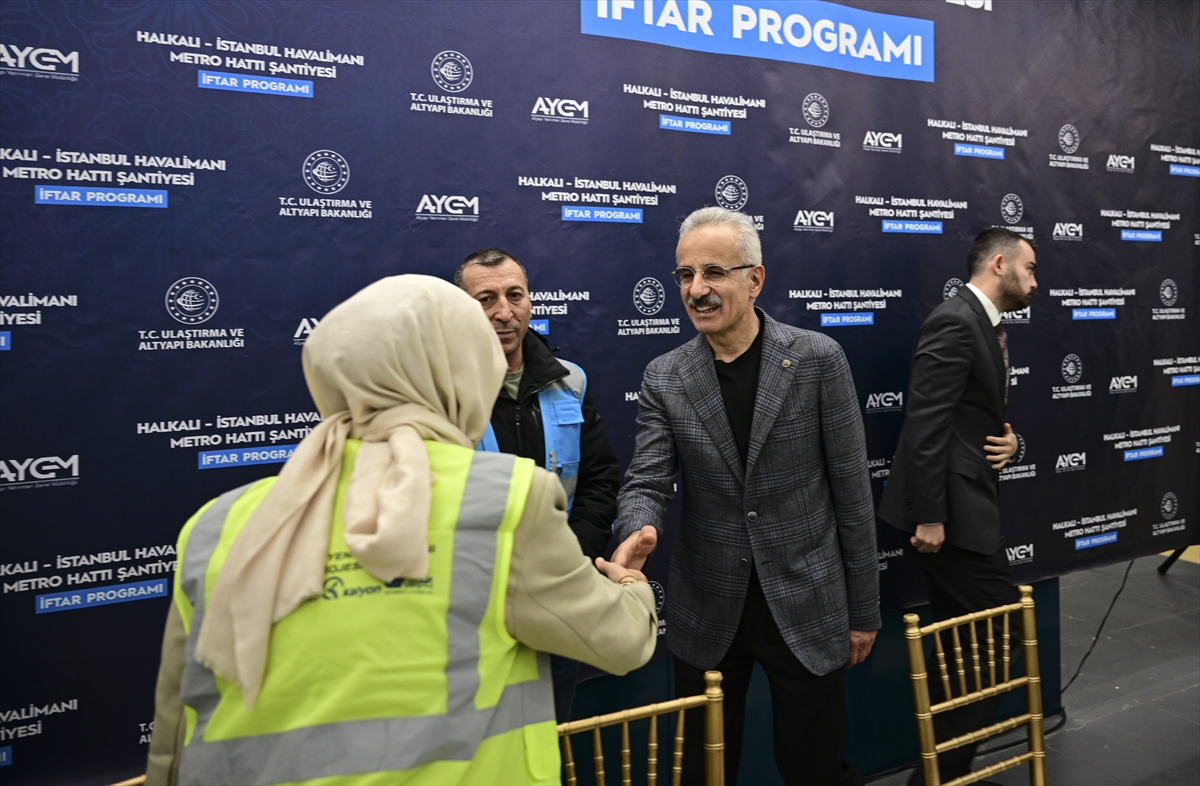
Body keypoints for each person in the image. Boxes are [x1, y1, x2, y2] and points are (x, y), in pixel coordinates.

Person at [145, 275, 657, 786]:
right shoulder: (506, 501)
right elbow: (619, 642)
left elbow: (173, 733)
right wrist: (630, 586)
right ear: (465, 369)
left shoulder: (215, 525)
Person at [611, 207, 880, 786]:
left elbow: (853, 495)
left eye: (713, 272)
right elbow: (648, 477)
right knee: (702, 773)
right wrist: (639, 527)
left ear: (754, 279)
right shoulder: (666, 375)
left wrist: (863, 609)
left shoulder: (817, 361)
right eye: (685, 275)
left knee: (816, 770)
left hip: (806, 603)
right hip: (708, 607)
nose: (696, 290)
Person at [878, 227, 1036, 783]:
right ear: (999, 264)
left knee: (969, 653)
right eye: (1030, 269)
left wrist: (1009, 443)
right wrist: (930, 514)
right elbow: (924, 424)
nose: (1035, 281)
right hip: (952, 519)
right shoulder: (955, 319)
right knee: (997, 644)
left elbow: (968, 418)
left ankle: (940, 776)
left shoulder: (982, 324)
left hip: (969, 508)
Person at [456, 247, 621, 723]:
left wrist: (565, 558)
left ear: (531, 301)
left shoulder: (570, 381)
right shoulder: (441, 391)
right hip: (475, 607)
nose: (504, 313)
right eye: (486, 299)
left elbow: (599, 480)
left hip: (557, 598)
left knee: (550, 738)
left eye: (515, 295)